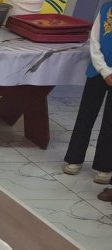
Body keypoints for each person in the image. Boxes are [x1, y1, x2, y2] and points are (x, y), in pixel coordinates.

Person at [62, 2, 112, 186]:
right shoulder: (106, 8)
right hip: (97, 71)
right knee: (86, 115)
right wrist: (104, 70)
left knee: (110, 122)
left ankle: (104, 166)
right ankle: (74, 158)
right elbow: (95, 41)